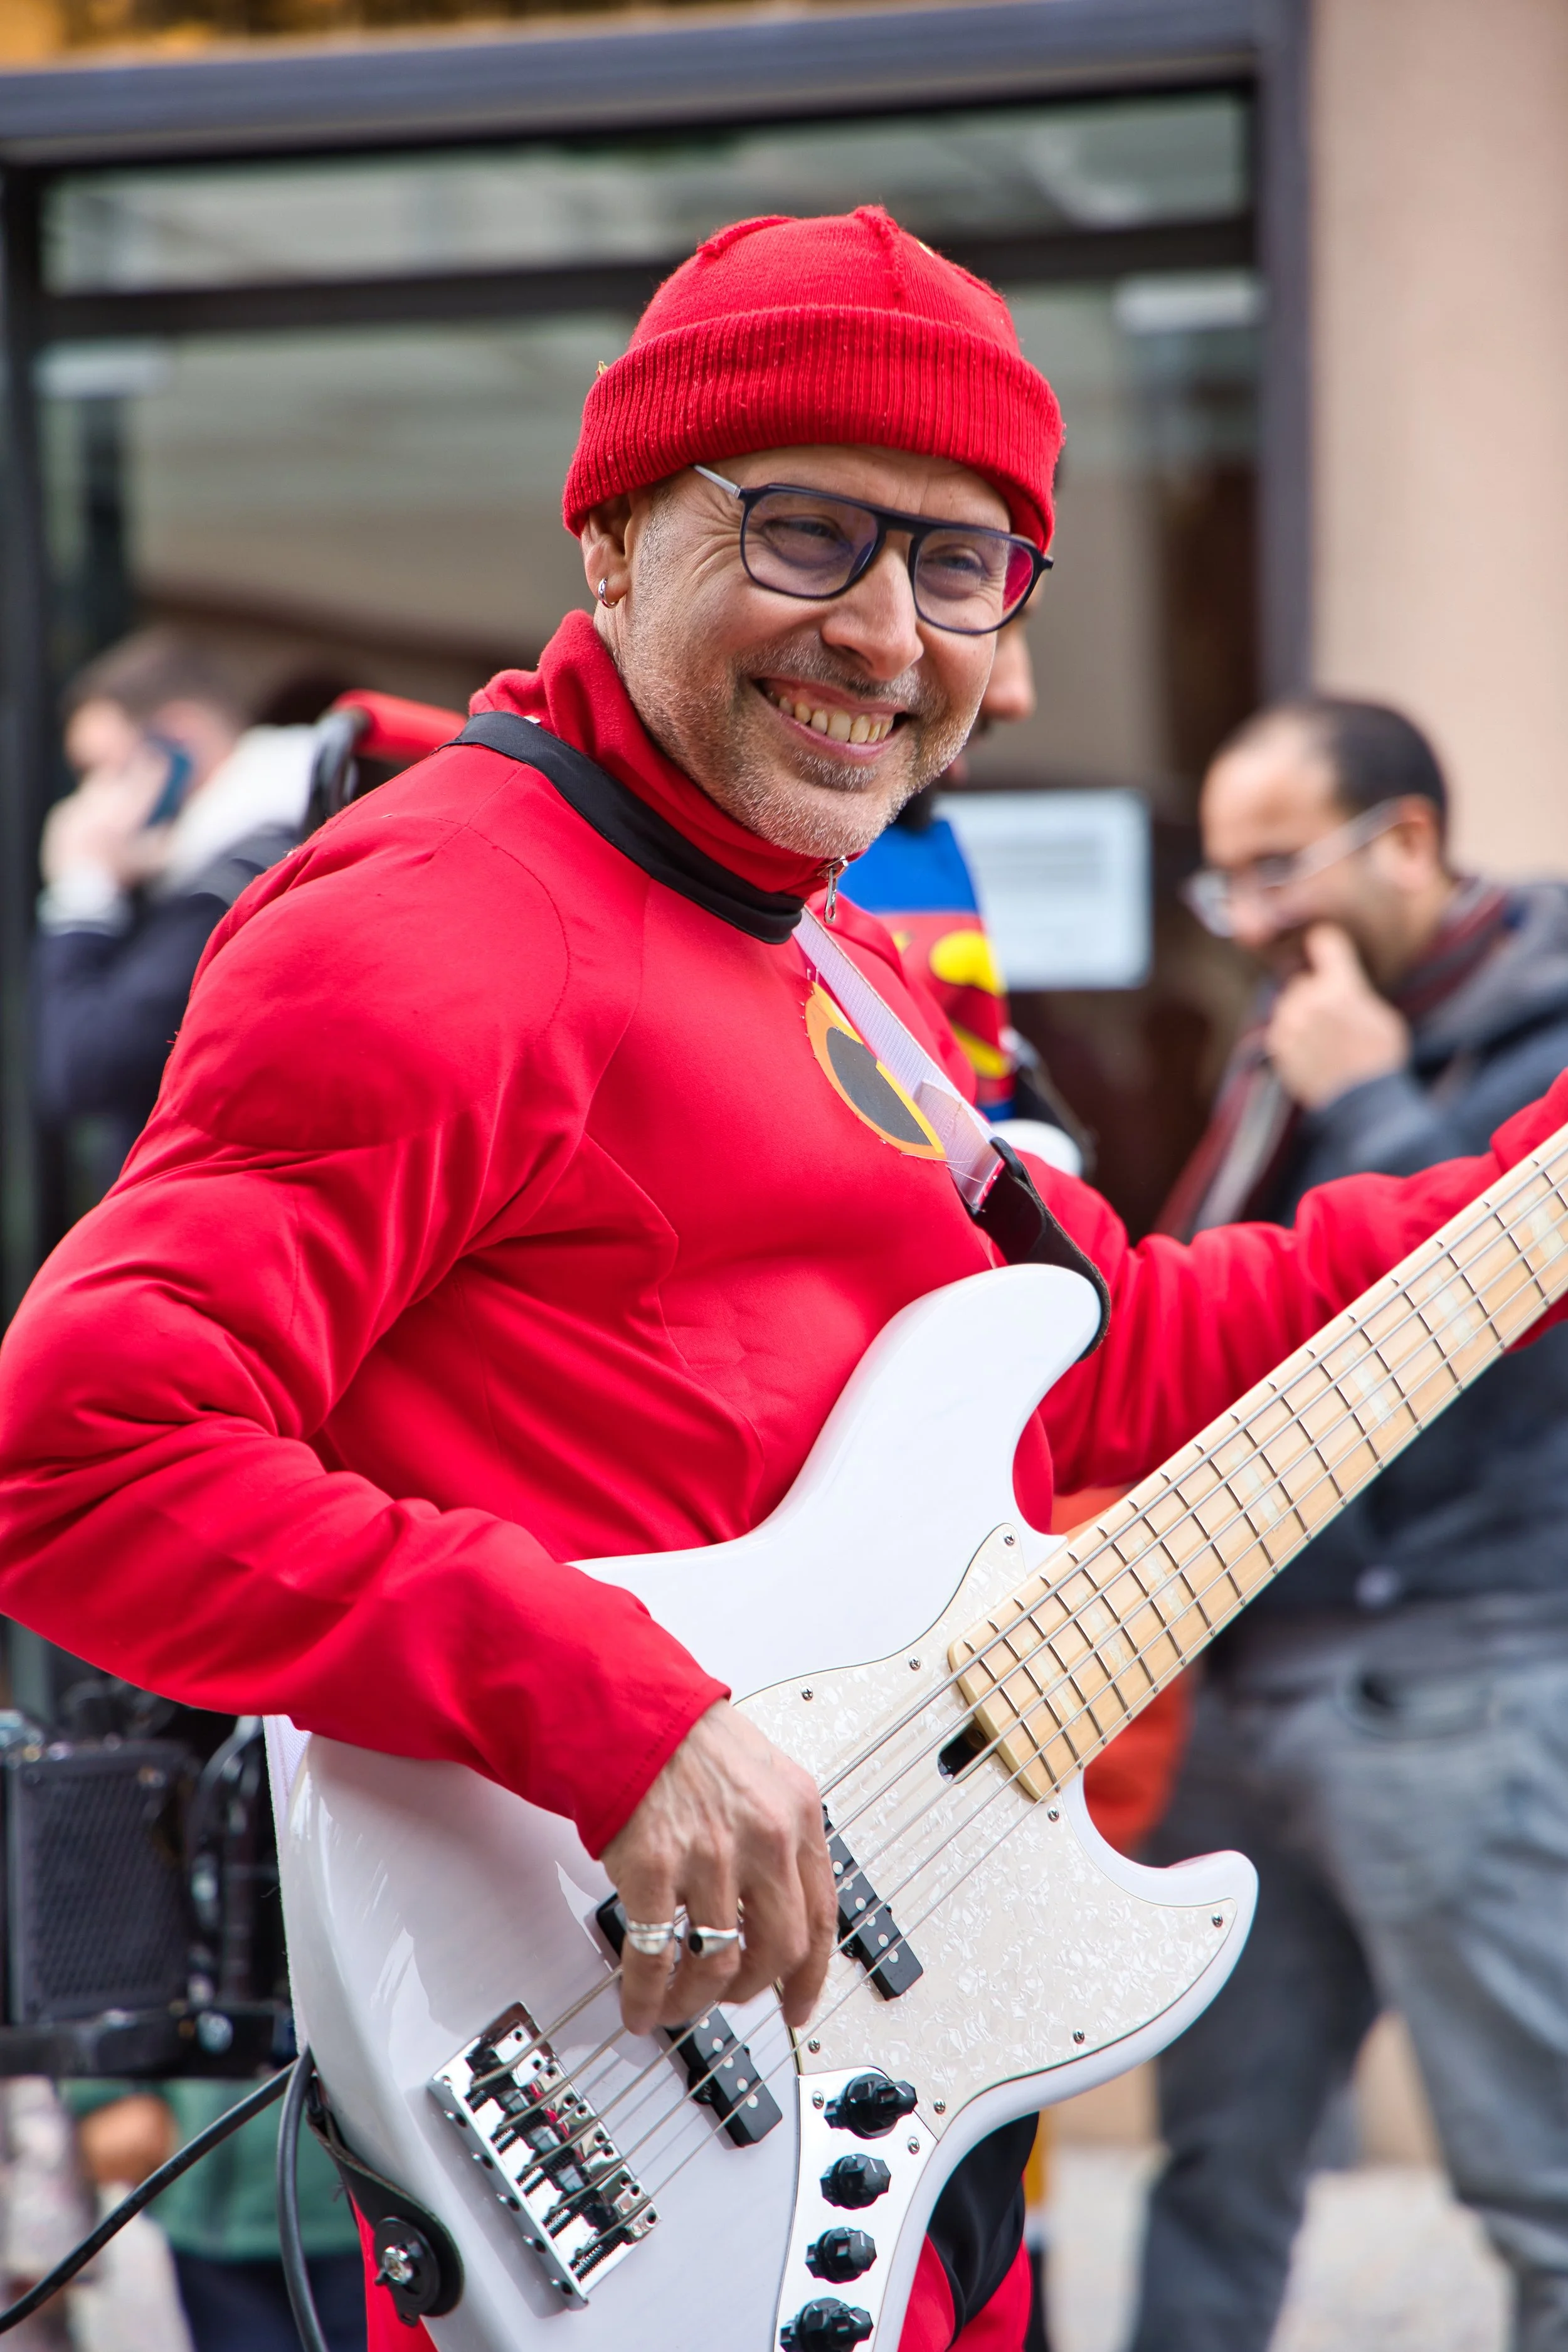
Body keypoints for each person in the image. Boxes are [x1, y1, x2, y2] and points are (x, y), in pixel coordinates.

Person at [0, 211, 1564, 2352]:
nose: (889, 634)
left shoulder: (804, 937)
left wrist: (1527, 1203)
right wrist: (623, 1721)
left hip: (871, 2125)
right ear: (615, 541)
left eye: (960, 563)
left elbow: (1116, 1363)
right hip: (623, 2135)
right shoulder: (444, 917)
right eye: (810, 532)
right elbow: (80, 1462)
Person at [1131, 696, 1568, 2352]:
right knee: (1212, 2169)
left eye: (1274, 870)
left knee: (1537, 2190)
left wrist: (1377, 1106)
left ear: (1400, 841)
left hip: (1464, 1667)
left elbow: (1514, 1349)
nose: (1246, 920)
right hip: (1251, 1675)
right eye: (1220, 885)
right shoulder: (1288, 1026)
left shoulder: (1524, 1027)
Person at [34, 630, 317, 1185]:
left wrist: (82, 889)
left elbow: (83, 1065)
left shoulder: (238, 882)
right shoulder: (245, 863)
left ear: (179, 744)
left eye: (105, 770)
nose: (90, 804)